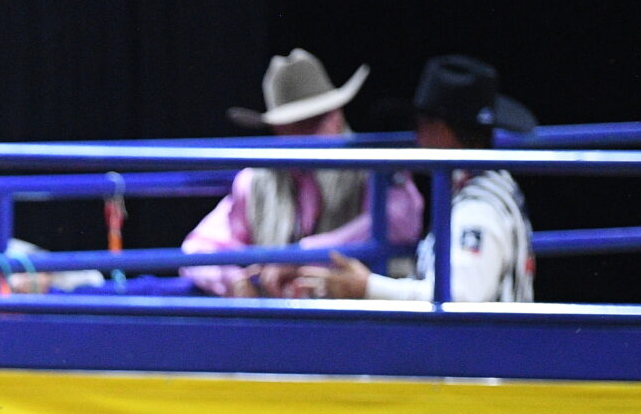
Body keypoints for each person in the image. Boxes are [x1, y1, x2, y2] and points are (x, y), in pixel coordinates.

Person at [295, 55, 537, 305]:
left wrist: (368, 287)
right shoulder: (489, 185)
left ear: (440, 130)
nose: (417, 137)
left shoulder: (479, 208)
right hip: (483, 340)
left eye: (420, 125)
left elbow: (461, 297)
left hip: (481, 343)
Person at [182, 50, 423, 298]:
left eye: (318, 119)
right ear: (278, 128)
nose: (311, 134)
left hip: (360, 325)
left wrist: (302, 255)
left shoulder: (375, 169)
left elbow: (400, 222)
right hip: (281, 326)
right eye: (298, 124)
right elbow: (198, 248)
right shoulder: (256, 180)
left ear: (337, 114)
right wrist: (233, 281)